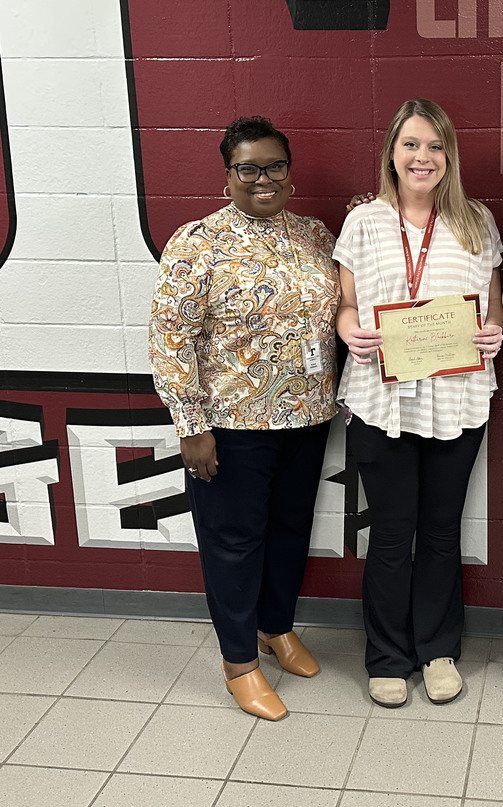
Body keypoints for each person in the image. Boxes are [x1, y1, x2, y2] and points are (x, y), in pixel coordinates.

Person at [149, 116, 340, 721]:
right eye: (248, 168)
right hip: (230, 425)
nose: (264, 178)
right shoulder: (196, 243)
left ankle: (276, 629)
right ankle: (240, 662)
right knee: (234, 545)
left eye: (275, 165)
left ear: (289, 168)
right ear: (228, 174)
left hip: (306, 417)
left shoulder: (314, 235)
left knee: (290, 530)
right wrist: (191, 425)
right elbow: (169, 341)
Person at [335, 99, 503, 708]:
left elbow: (492, 307)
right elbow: (346, 304)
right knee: (389, 534)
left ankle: (437, 651)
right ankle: (386, 656)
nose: (423, 157)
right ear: (392, 153)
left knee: (439, 533)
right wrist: (348, 329)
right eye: (411, 144)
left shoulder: (478, 222)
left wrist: (495, 332)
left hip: (455, 400)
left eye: (435, 146)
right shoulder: (363, 223)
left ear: (449, 156)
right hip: (382, 401)